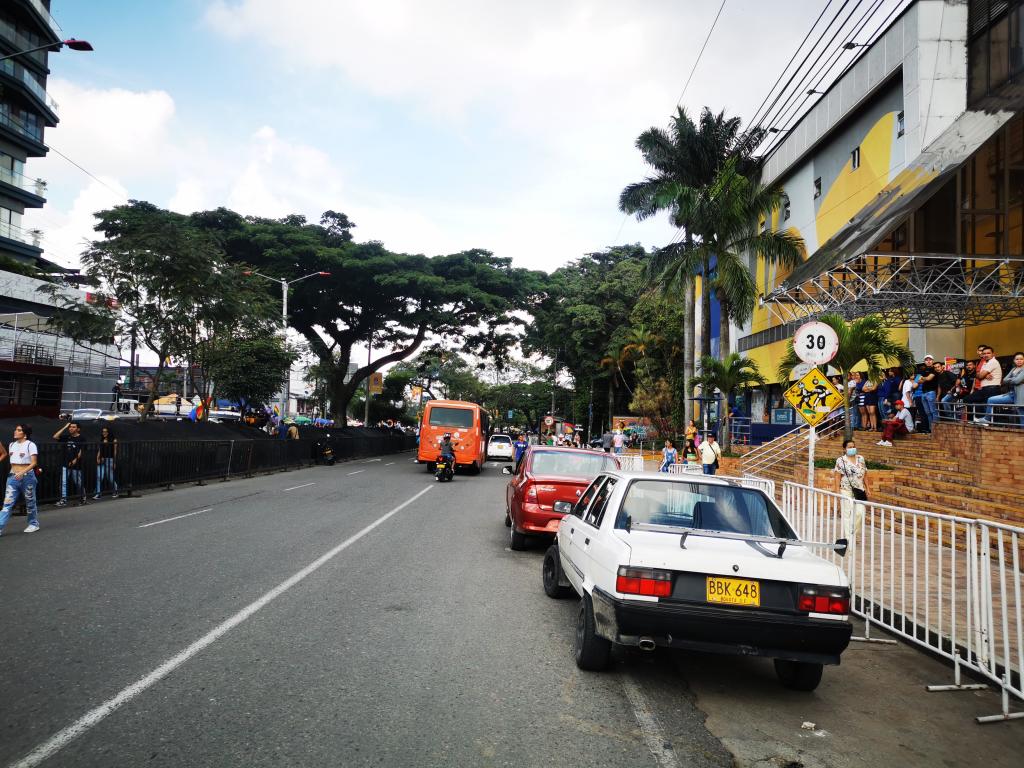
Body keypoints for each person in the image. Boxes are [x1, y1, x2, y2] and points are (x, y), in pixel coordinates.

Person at [0, 424, 40, 535]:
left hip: (27, 477)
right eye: (16, 429)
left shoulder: (30, 445)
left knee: (30, 501)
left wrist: (23, 472)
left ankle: (33, 524)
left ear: (25, 434)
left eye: (19, 430)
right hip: (13, 476)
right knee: (7, 503)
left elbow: (34, 463)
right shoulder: (11, 444)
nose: (15, 431)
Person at [834, 439, 867, 546]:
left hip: (860, 490)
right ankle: (849, 538)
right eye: (849, 447)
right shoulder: (840, 460)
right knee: (847, 514)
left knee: (860, 513)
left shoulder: (861, 458)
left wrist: (868, 488)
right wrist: (837, 491)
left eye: (853, 446)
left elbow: (865, 473)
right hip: (845, 489)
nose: (852, 448)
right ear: (844, 449)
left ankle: (853, 533)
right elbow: (837, 476)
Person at [981, 351, 1024, 426]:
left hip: (1021, 396)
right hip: (1011, 394)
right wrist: (1014, 380)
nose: (1019, 360)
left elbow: (1017, 381)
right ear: (1014, 360)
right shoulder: (1013, 369)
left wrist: (1012, 380)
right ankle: (986, 419)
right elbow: (1004, 380)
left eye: (1021, 359)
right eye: (1017, 359)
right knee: (991, 400)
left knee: (1022, 416)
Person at [53, 420, 86, 507]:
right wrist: (65, 427)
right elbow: (55, 436)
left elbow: (82, 450)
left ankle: (82, 498)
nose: (71, 428)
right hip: (65, 463)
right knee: (63, 482)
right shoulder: (67, 437)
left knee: (78, 482)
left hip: (76, 464)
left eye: (73, 427)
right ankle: (63, 500)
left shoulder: (81, 438)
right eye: (70, 427)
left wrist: (75, 460)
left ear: (78, 429)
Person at [968, 345, 1003, 421]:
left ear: (993, 354)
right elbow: (977, 374)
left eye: (988, 353)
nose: (986, 355)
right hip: (985, 388)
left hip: (992, 388)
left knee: (991, 408)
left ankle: (990, 424)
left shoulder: (992, 362)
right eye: (984, 353)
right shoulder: (985, 363)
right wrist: (984, 375)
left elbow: (979, 376)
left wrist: (981, 375)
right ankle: (982, 420)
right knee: (968, 399)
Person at [94, 425, 119, 499]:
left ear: (109, 432)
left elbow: (115, 451)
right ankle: (98, 493)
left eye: (105, 431)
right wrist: (97, 458)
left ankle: (115, 490)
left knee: (110, 478)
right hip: (102, 459)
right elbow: (100, 450)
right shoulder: (102, 440)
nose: (104, 433)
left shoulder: (114, 440)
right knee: (99, 477)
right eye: (103, 432)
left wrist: (114, 462)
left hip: (109, 460)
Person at [918, 354, 939, 428]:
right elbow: (919, 381)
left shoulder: (934, 369)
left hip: (931, 392)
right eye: (926, 360)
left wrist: (923, 378)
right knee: (928, 412)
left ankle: (936, 429)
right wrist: (924, 378)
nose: (928, 361)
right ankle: (931, 429)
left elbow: (929, 378)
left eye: (930, 359)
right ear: (924, 362)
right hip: (924, 393)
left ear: (932, 361)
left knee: (933, 411)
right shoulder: (923, 370)